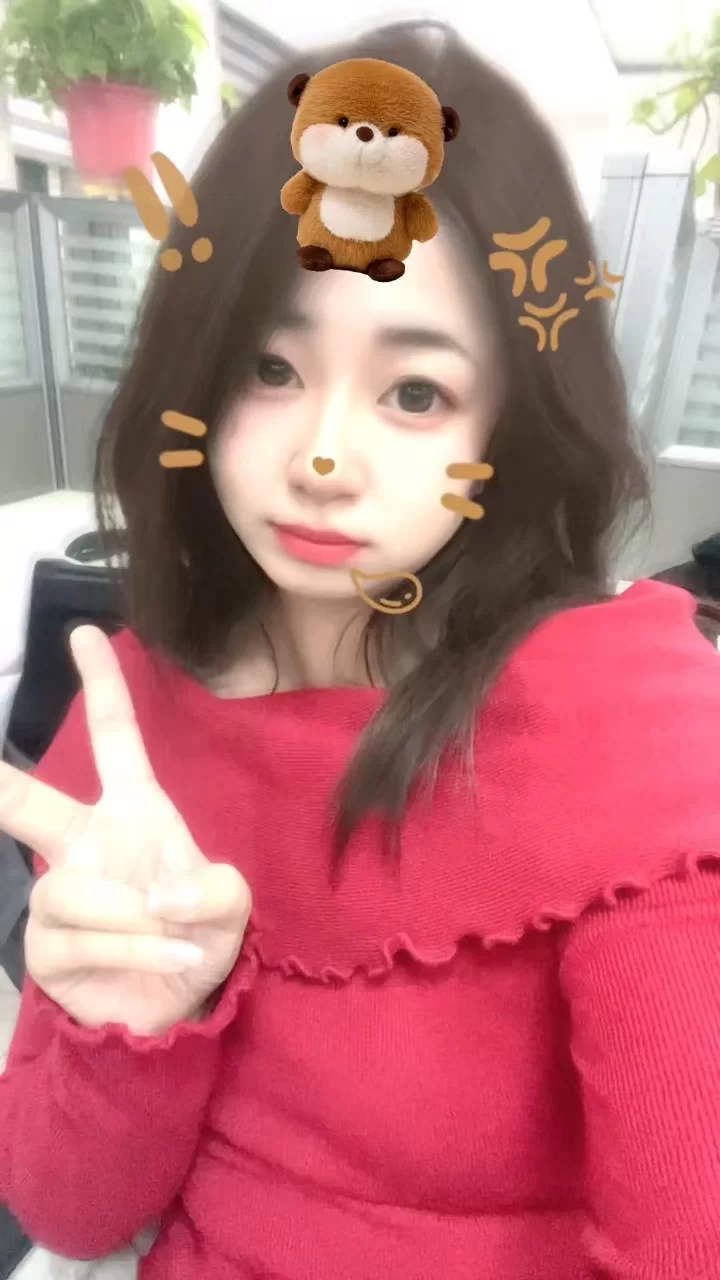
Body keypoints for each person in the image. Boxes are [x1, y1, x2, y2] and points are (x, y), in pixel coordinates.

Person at [1, 19, 719, 1280]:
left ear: (511, 424)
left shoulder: (633, 738)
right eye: (270, 368)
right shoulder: (135, 725)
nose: (323, 457)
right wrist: (128, 1027)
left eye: (415, 393)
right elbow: (69, 1212)